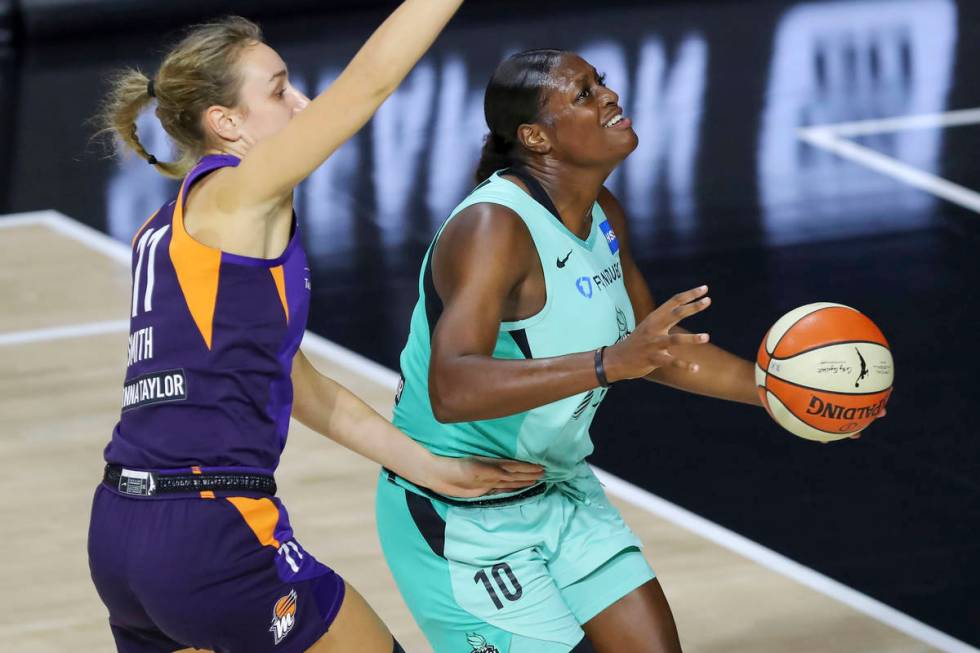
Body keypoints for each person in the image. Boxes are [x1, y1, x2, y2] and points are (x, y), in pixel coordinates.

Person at [375, 49, 878, 653]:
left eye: (601, 84)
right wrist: (608, 362)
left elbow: (655, 349)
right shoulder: (493, 228)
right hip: (456, 506)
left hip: (556, 484)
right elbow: (451, 388)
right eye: (583, 95)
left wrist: (782, 395)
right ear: (536, 137)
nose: (609, 97)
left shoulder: (603, 214)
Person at [88, 5, 543, 653]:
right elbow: (369, 84)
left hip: (120, 530)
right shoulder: (241, 194)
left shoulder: (164, 230)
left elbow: (299, 387)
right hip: (208, 528)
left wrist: (432, 469)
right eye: (277, 90)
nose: (300, 103)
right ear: (226, 123)